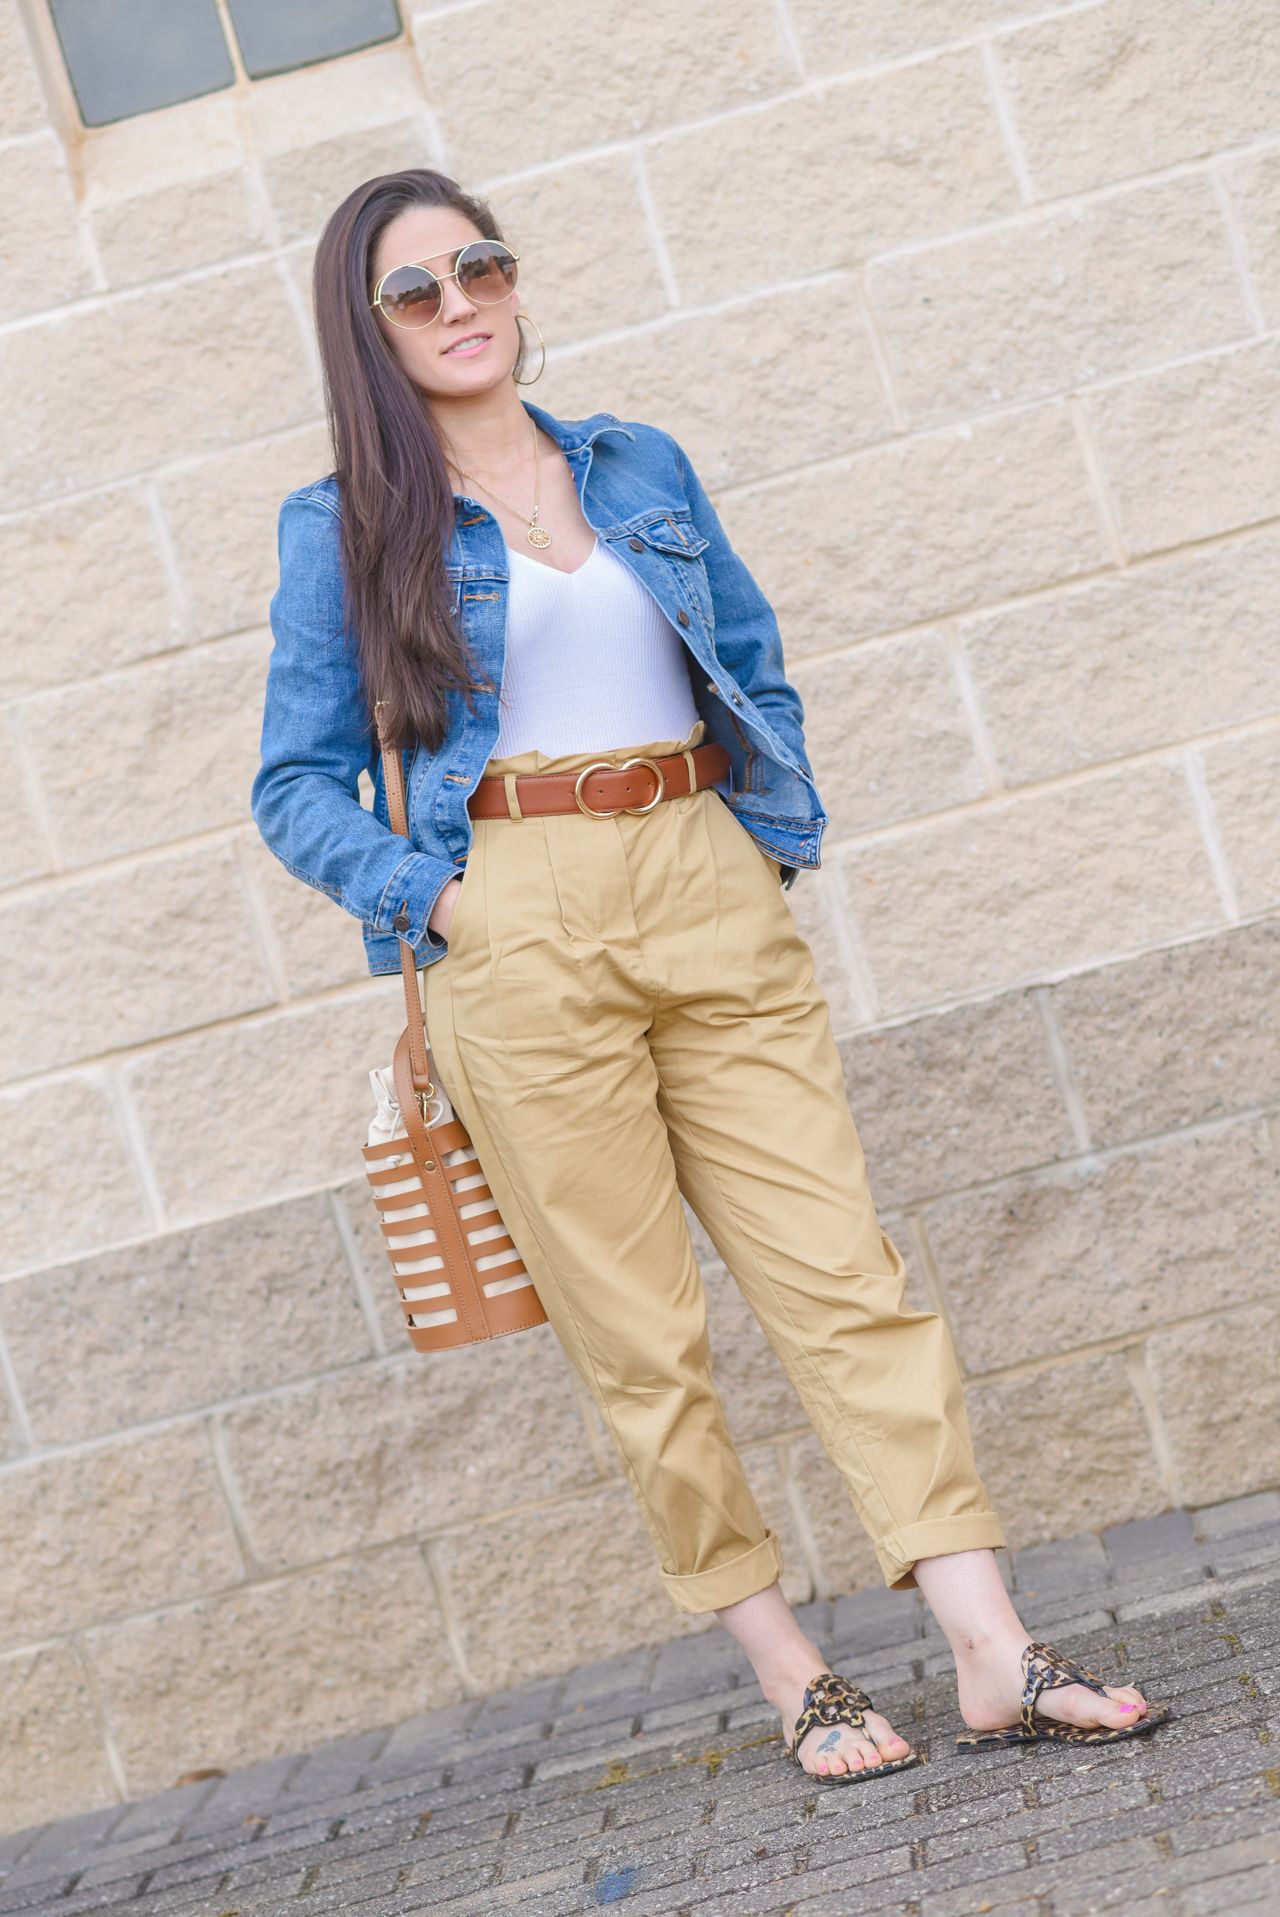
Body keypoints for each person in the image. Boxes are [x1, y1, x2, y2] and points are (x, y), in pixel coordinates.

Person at [252, 168, 1167, 1781]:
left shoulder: (634, 461)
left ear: (518, 284)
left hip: (700, 869)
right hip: (513, 918)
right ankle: (791, 1670)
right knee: (641, 1335)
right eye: (418, 288)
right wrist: (442, 903)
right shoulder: (343, 526)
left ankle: (989, 1644)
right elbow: (295, 783)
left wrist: (761, 834)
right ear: (369, 329)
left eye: (483, 265)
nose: (462, 302)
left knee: (843, 1273)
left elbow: (749, 655)